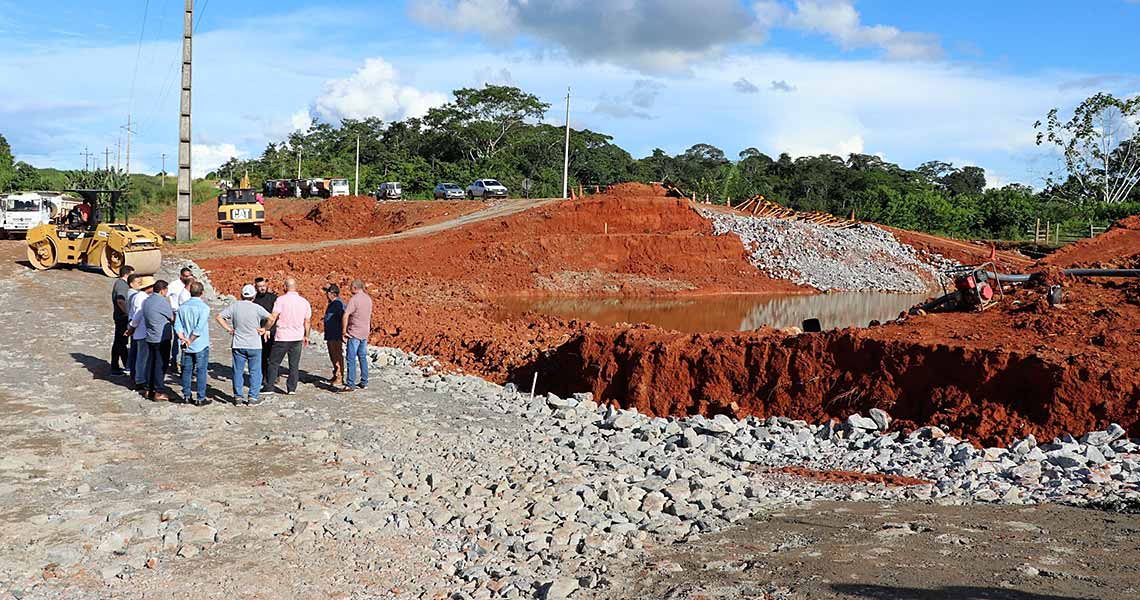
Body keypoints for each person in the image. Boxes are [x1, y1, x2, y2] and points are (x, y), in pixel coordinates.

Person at [216, 284, 271, 405]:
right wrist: (265, 329)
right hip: (254, 345)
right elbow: (271, 318)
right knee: (255, 372)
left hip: (238, 344)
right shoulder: (257, 308)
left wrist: (229, 329)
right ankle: (253, 397)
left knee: (237, 371)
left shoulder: (235, 306)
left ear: (241, 295)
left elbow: (219, 317)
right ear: (254, 296)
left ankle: (238, 397)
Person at [263, 278, 311, 395]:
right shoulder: (304, 302)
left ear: (285, 287)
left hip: (283, 337)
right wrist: (306, 336)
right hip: (297, 337)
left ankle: (269, 387)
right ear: (296, 286)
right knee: (294, 365)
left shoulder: (281, 300)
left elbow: (273, 317)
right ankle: (291, 389)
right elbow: (307, 321)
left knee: (273, 363)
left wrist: (266, 328)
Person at [135, 280, 174, 401]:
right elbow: (172, 318)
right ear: (162, 290)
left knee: (150, 363)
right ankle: (159, 391)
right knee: (160, 364)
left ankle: (148, 389)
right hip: (161, 337)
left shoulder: (147, 301)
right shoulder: (162, 302)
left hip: (150, 336)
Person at [175, 281, 211, 406]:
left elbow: (177, 326)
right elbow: (199, 328)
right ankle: (200, 397)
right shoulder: (204, 308)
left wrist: (183, 339)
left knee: (187, 370)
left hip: (186, 345)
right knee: (201, 371)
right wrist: (190, 340)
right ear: (202, 293)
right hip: (200, 344)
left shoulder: (182, 307)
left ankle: (186, 395)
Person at [342, 279, 373, 391]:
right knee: (363, 357)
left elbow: (346, 315)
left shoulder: (354, 300)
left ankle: (350, 384)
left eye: (351, 287)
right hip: (365, 332)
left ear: (355, 288)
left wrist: (344, 331)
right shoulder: (368, 299)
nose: (350, 289)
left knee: (351, 358)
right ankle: (364, 381)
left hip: (354, 332)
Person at [128, 276, 156, 390]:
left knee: (140, 355)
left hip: (140, 331)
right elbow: (138, 315)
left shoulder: (139, 296)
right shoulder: (143, 298)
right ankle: (140, 380)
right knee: (142, 357)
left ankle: (139, 378)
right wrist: (132, 328)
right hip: (142, 331)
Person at [167, 267, 194, 374]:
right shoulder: (174, 285)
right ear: (181, 276)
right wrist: (170, 312)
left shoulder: (191, 285)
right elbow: (165, 296)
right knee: (178, 339)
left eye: (190, 276)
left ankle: (187, 363)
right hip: (177, 313)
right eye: (186, 276)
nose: (188, 278)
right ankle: (175, 362)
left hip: (189, 314)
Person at [110, 265, 136, 375]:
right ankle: (119, 367)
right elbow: (120, 301)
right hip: (122, 318)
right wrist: (128, 313)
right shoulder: (121, 286)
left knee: (120, 342)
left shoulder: (120, 284)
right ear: (127, 274)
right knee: (120, 342)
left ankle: (120, 365)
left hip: (120, 317)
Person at [253, 277, 277, 387]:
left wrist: (269, 329)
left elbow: (276, 315)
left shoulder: (273, 298)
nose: (262, 288)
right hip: (259, 332)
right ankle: (263, 377)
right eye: (260, 286)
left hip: (272, 331)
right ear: (256, 288)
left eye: (264, 286)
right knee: (262, 357)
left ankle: (273, 377)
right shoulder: (254, 301)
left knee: (273, 357)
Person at [321, 284, 345, 387]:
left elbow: (343, 318)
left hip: (336, 334)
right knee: (333, 355)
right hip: (331, 334)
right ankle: (336, 375)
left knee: (337, 355)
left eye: (328, 293)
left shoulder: (338, 304)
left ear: (332, 294)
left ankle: (339, 377)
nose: (326, 294)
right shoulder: (333, 304)